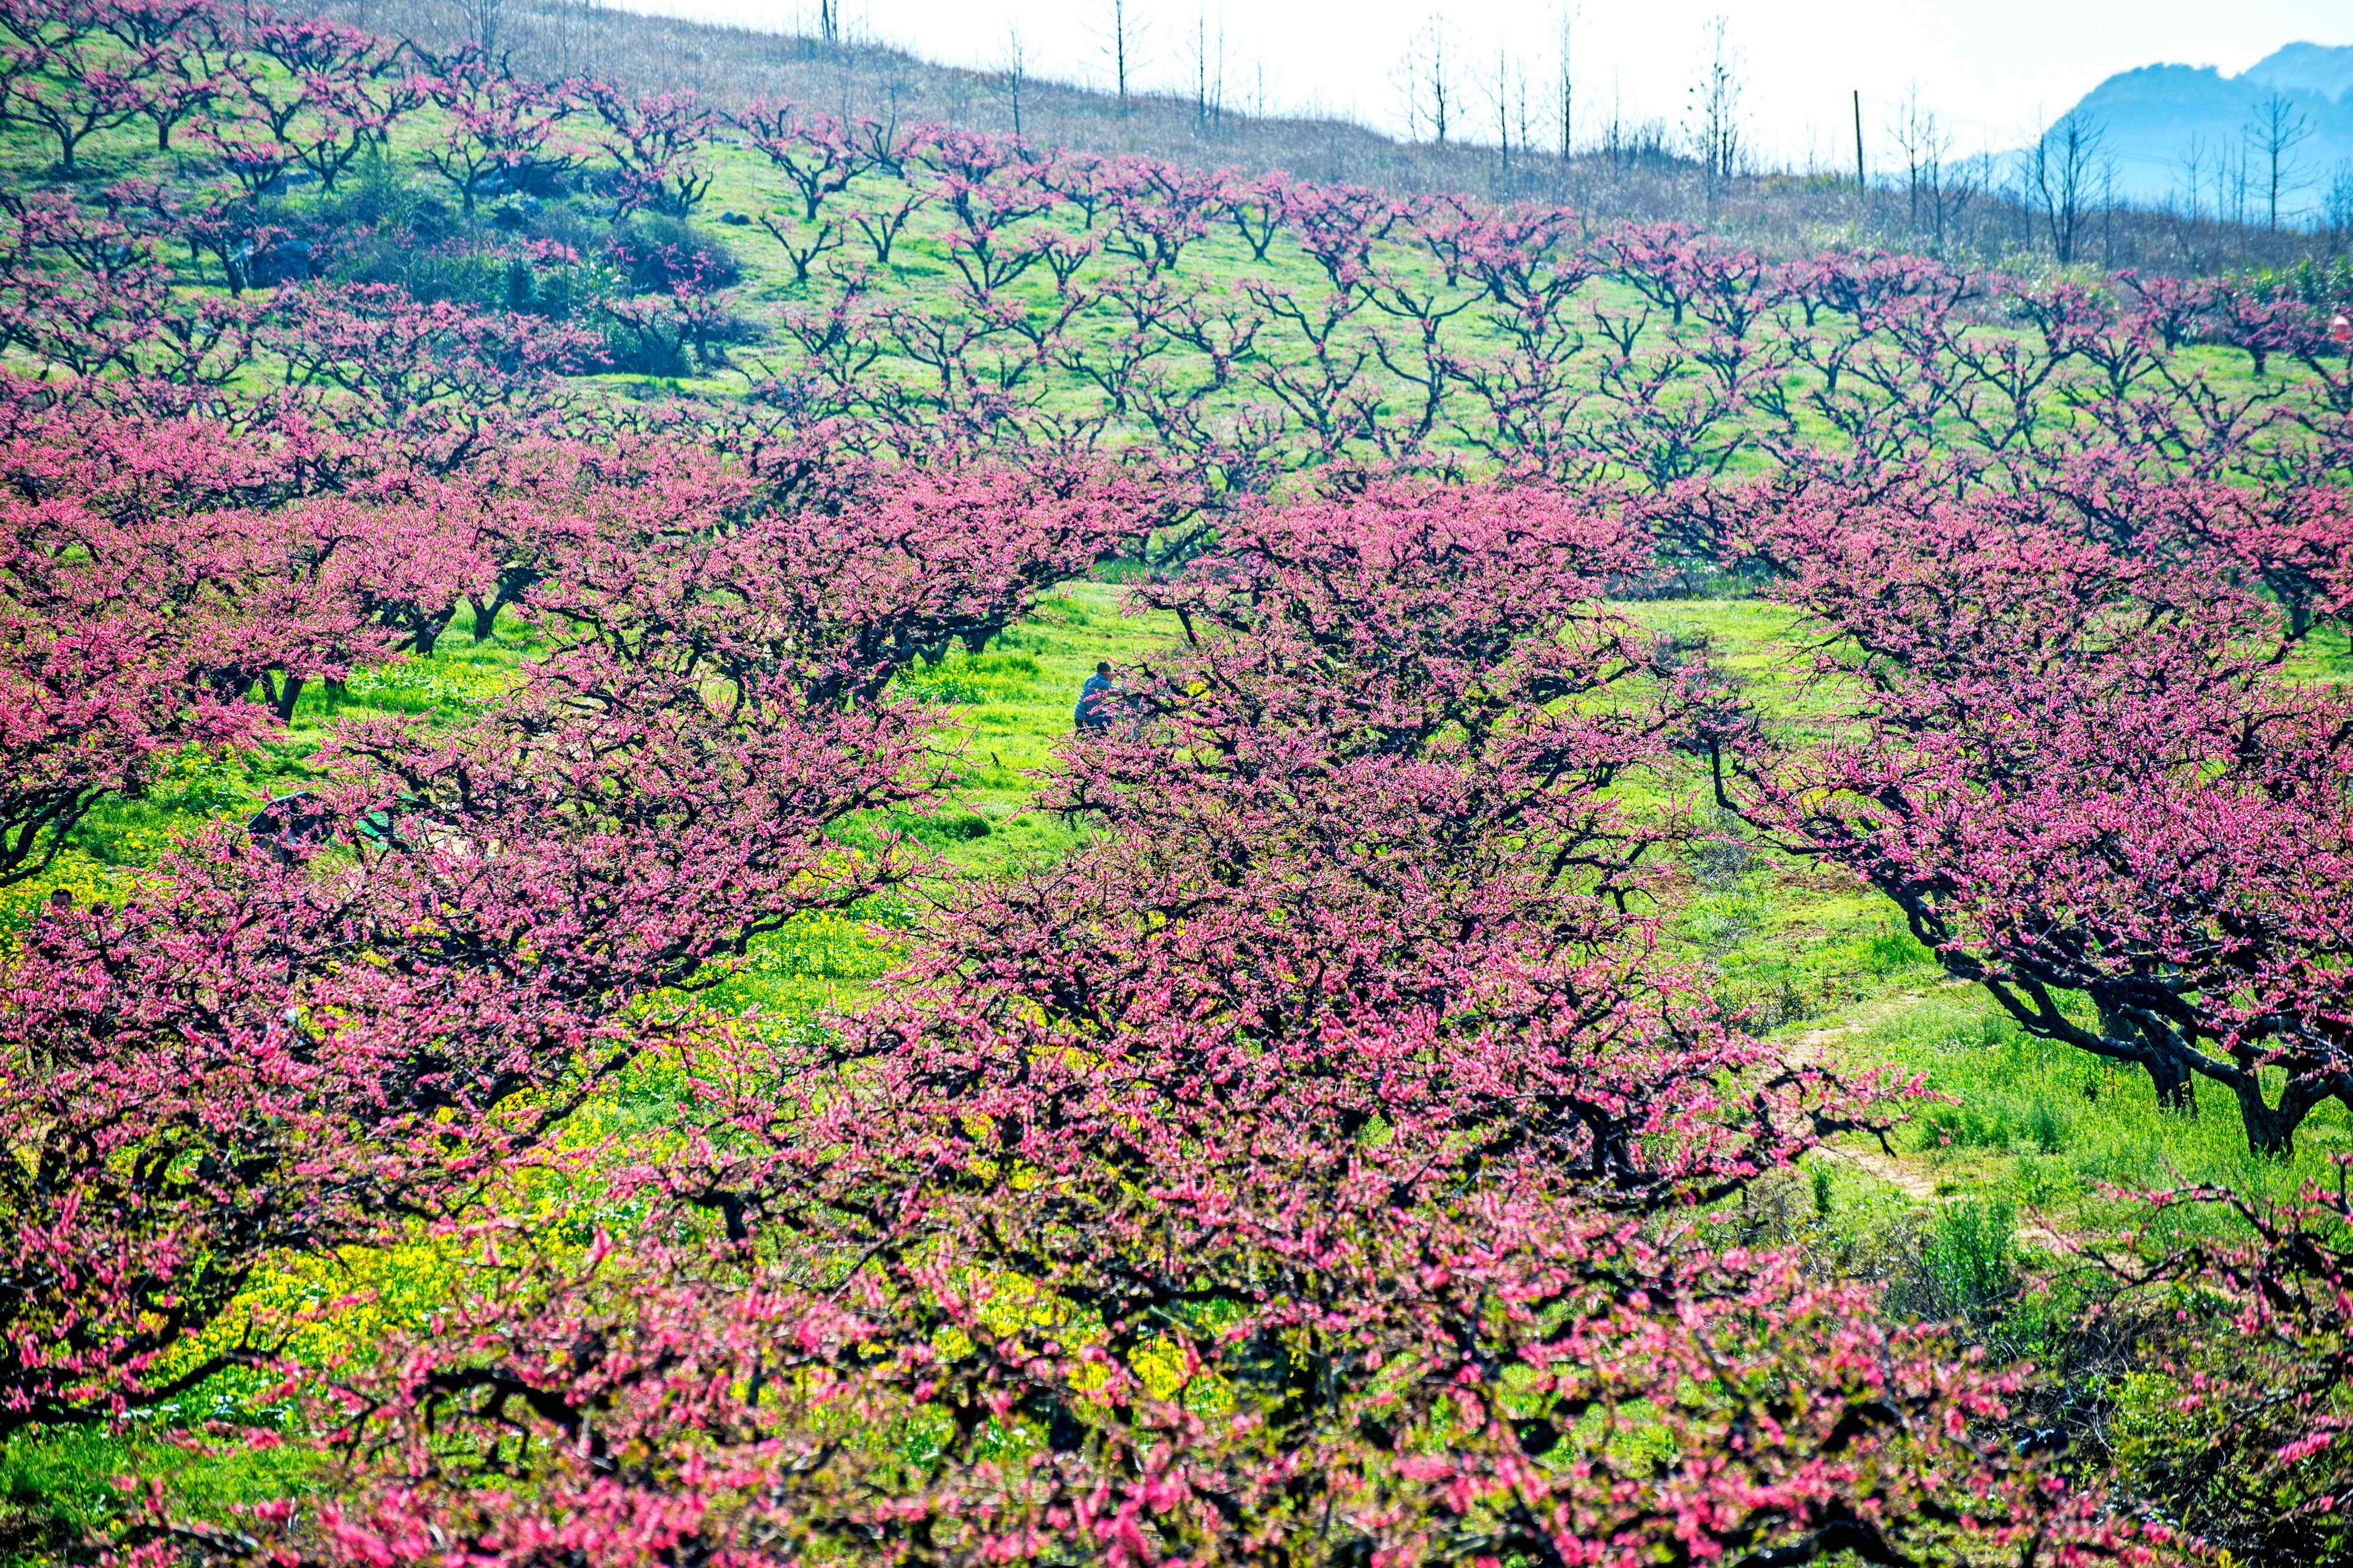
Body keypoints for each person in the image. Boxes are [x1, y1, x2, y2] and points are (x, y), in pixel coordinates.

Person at [1075, 661, 1117, 731]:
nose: (1111, 674)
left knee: (1106, 710)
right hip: (1088, 721)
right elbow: (1121, 692)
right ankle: (1100, 733)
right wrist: (1125, 677)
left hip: (1078, 719)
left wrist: (1108, 681)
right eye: (1110, 672)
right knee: (1114, 715)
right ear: (1105, 673)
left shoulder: (1091, 679)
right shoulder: (1101, 683)